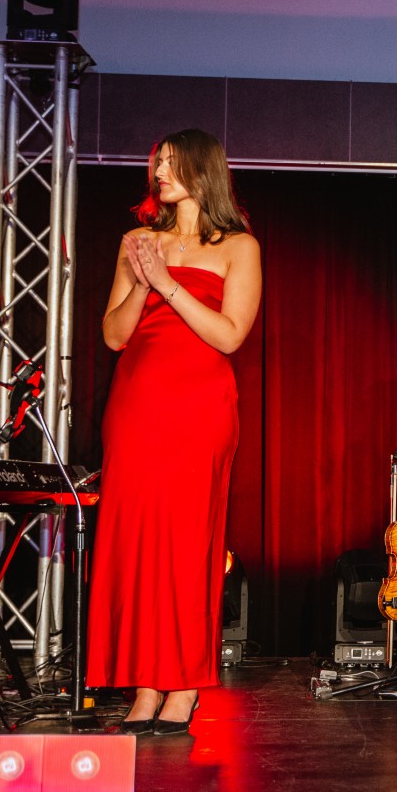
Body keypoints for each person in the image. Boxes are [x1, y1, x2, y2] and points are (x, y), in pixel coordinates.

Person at [88, 129, 261, 735]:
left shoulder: (239, 247)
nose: (159, 171)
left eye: (170, 162)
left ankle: (184, 685)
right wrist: (142, 282)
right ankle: (143, 685)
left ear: (202, 170)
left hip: (200, 405)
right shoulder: (136, 241)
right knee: (134, 541)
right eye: (156, 162)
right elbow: (114, 336)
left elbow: (230, 335)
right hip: (137, 401)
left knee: (188, 544)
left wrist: (167, 283)